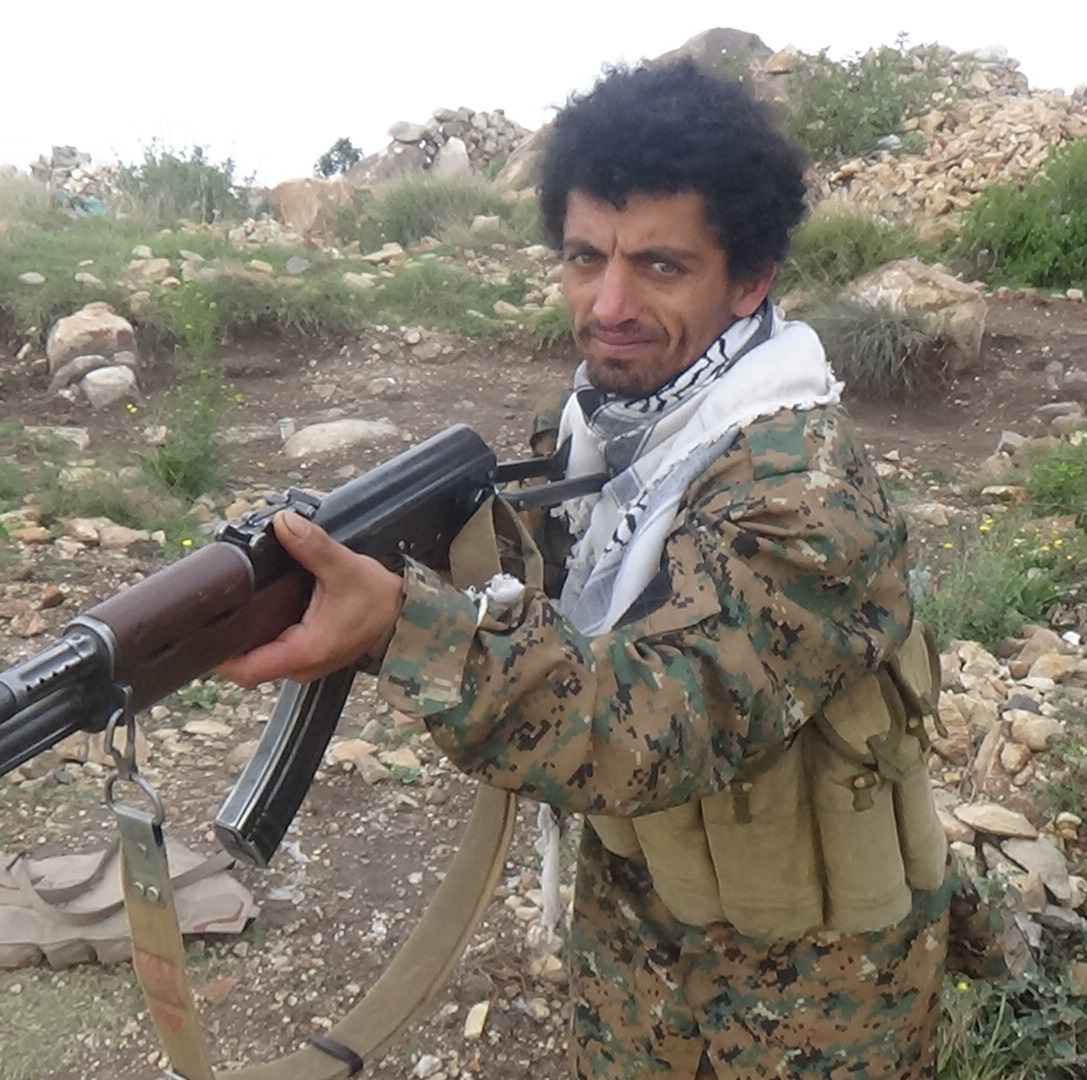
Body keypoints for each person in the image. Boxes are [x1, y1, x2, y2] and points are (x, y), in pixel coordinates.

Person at [219, 59, 951, 1080]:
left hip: (807, 1005)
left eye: (659, 266)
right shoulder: (608, 425)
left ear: (749, 280)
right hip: (637, 948)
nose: (607, 304)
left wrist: (403, 629)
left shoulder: (801, 489)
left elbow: (650, 725)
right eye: (584, 258)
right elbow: (556, 606)